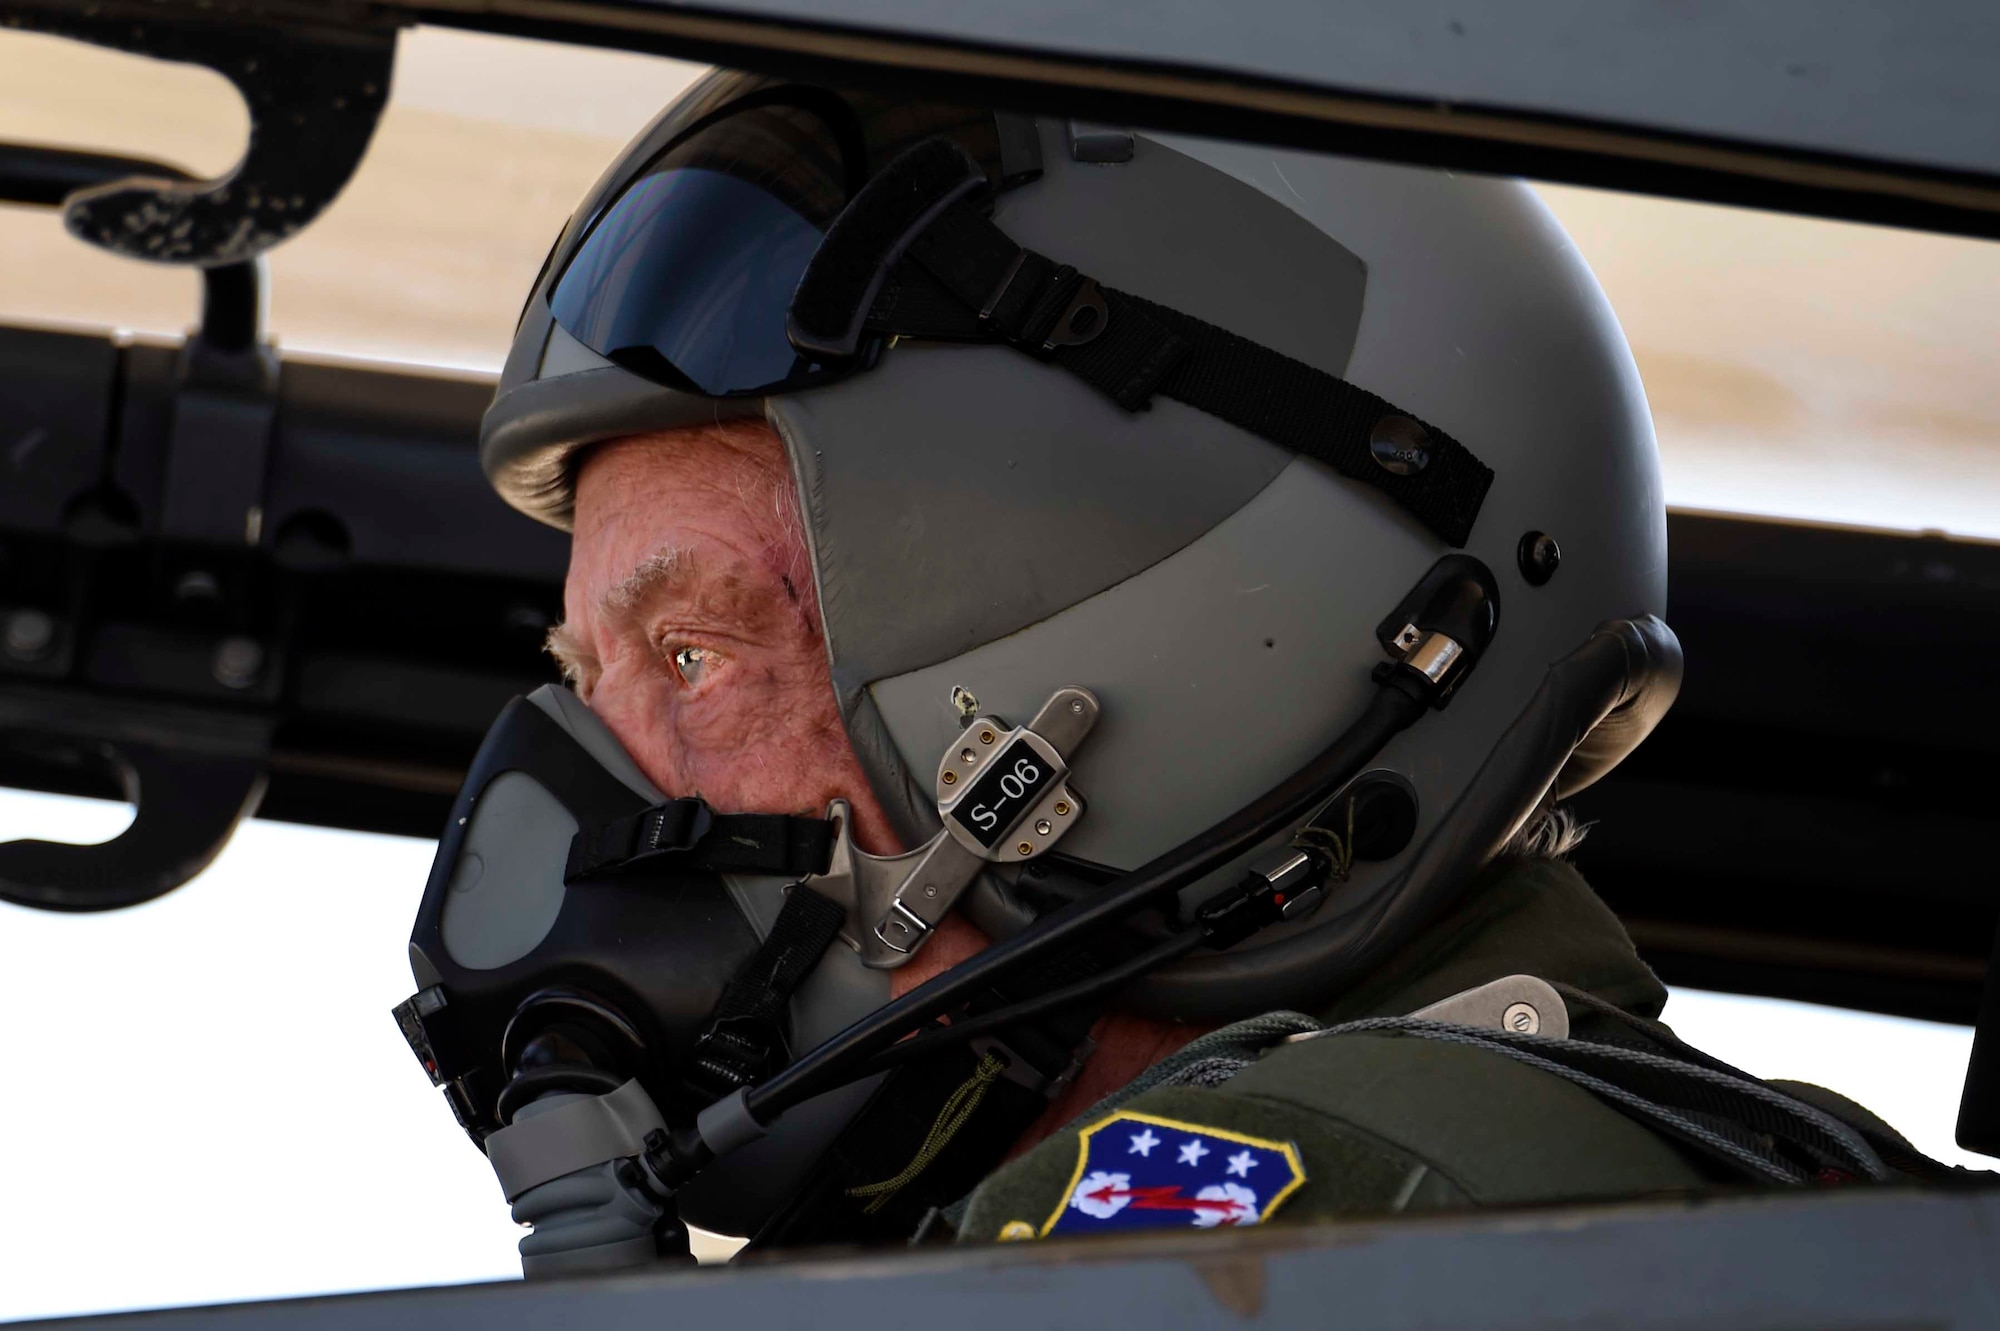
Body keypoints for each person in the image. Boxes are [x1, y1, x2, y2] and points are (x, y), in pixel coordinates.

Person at [397, 73, 1952, 1271]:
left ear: (1164, 670)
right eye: (586, 675)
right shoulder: (1650, 1185)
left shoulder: (1333, 1201)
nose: (592, 799)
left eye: (696, 655)